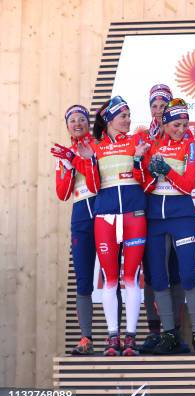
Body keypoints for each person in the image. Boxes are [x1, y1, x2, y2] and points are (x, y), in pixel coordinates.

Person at [133, 98, 195, 354]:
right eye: (177, 124)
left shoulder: (190, 145)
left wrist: (165, 169)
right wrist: (141, 164)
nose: (182, 129)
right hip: (155, 219)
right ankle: (168, 333)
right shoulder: (152, 144)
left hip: (181, 217)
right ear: (165, 124)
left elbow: (188, 185)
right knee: (158, 279)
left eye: (186, 124)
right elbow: (143, 182)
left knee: (187, 275)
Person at [83, 96, 150, 356]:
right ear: (110, 119)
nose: (128, 120)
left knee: (130, 277)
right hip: (106, 218)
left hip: (134, 215)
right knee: (109, 279)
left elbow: (144, 181)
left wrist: (137, 159)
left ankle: (130, 338)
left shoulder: (137, 142)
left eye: (129, 115)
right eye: (123, 115)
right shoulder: (95, 147)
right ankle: (113, 337)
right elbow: (92, 187)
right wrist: (89, 161)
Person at [135, 84, 187, 354]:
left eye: (162, 107)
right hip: (148, 212)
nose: (157, 111)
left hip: (175, 213)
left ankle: (175, 331)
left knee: (176, 273)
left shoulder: (177, 135)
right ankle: (154, 331)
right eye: (154, 106)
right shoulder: (142, 136)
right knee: (153, 275)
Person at [51, 105, 98, 355]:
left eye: (82, 119)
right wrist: (68, 165)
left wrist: (79, 160)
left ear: (88, 123)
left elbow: (96, 179)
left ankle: (120, 338)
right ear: (67, 125)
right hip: (80, 216)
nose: (77, 123)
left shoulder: (98, 146)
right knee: (83, 280)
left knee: (114, 278)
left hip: (103, 212)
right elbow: (62, 193)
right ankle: (86, 338)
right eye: (72, 120)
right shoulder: (65, 153)